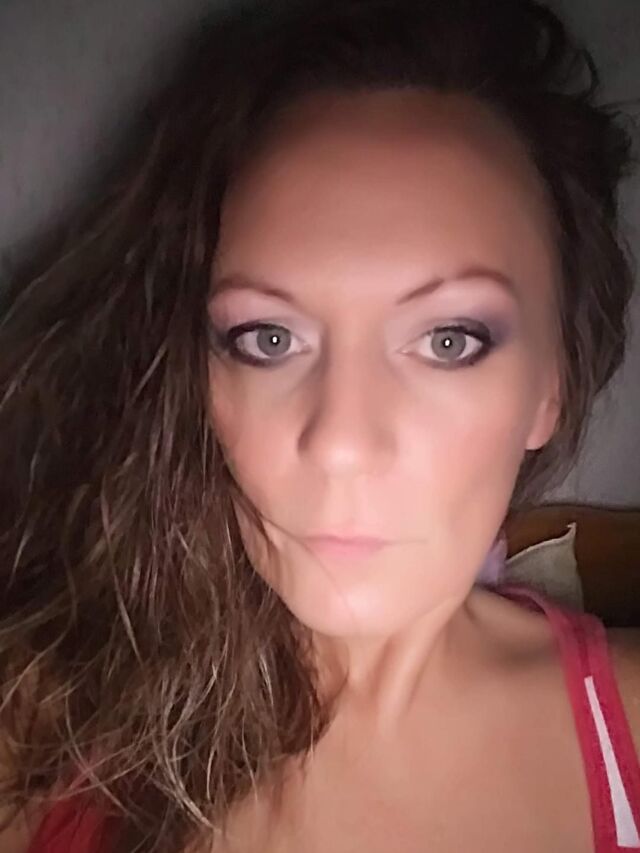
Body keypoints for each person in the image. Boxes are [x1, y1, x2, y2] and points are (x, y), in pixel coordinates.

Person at [0, 0, 638, 850]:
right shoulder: (42, 724)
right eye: (269, 339)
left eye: (449, 341)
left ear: (549, 387)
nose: (339, 439)